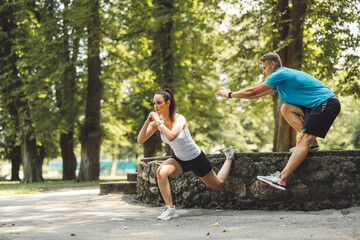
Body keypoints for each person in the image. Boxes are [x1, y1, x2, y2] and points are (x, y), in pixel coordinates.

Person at [216, 52, 341, 191]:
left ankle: (281, 178)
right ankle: (311, 143)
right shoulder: (280, 79)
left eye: (264, 68)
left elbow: (252, 91)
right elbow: (257, 94)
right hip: (315, 106)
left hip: (325, 103)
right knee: (286, 108)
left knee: (301, 140)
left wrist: (229, 94)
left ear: (273, 64)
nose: (263, 72)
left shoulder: (280, 74)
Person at [137, 88, 236, 220]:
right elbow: (140, 139)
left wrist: (158, 122)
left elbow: (171, 136)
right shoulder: (157, 122)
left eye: (159, 103)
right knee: (161, 172)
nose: (155, 106)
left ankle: (229, 157)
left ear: (168, 103)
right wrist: (147, 123)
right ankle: (170, 209)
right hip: (180, 160)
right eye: (154, 103)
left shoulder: (179, 119)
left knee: (218, 185)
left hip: (196, 158)